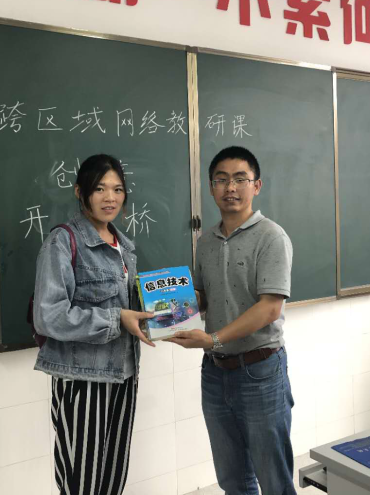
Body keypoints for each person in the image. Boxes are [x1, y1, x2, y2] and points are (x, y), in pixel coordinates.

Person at [168, 146, 296, 495]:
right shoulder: (205, 241)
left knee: (274, 480)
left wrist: (213, 339)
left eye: (240, 179)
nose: (230, 188)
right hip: (215, 373)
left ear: (257, 186)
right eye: (221, 180)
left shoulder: (271, 236)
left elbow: (269, 308)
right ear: (211, 188)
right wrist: (163, 310)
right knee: (232, 480)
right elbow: (202, 296)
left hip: (260, 372)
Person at [33, 154, 154, 495]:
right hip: (84, 379)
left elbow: (127, 307)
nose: (110, 198)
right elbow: (49, 315)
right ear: (80, 192)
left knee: (113, 479)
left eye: (117, 189)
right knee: (82, 483)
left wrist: (161, 313)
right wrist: (117, 318)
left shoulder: (123, 246)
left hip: (124, 374)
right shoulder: (62, 242)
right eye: (100, 189)